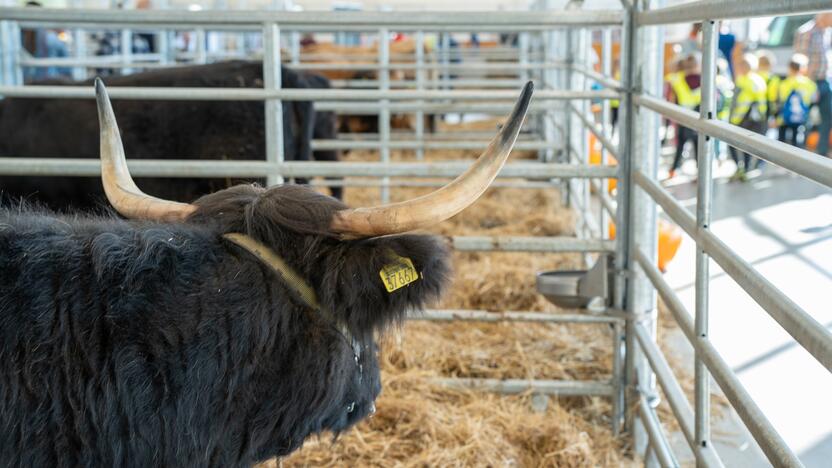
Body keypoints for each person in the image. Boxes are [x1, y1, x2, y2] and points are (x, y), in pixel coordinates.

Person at [794, 12, 832, 156]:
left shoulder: (827, 32)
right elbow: (800, 59)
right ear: (824, 15)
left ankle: (821, 152)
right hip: (811, 82)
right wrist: (809, 84)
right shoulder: (806, 32)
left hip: (825, 80)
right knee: (804, 119)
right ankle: (801, 153)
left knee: (828, 118)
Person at [729, 54, 768, 181]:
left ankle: (743, 169)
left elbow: (741, 103)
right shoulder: (759, 79)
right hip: (754, 118)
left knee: (736, 144)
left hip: (744, 119)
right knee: (746, 146)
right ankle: (745, 169)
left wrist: (734, 119)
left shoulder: (745, 80)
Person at [666, 52, 702, 179]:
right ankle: (700, 173)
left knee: (680, 144)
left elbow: (673, 98)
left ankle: (673, 170)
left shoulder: (677, 79)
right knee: (699, 147)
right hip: (698, 117)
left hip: (682, 116)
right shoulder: (704, 79)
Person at [774, 54, 817, 148]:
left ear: (790, 68)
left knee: (781, 141)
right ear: (803, 68)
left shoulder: (784, 83)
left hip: (784, 118)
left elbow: (780, 101)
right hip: (801, 118)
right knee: (796, 141)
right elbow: (814, 100)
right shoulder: (810, 84)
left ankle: (780, 159)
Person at [756, 50, 781, 122]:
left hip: (753, 108)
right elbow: (775, 97)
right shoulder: (774, 79)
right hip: (767, 109)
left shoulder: (753, 77)